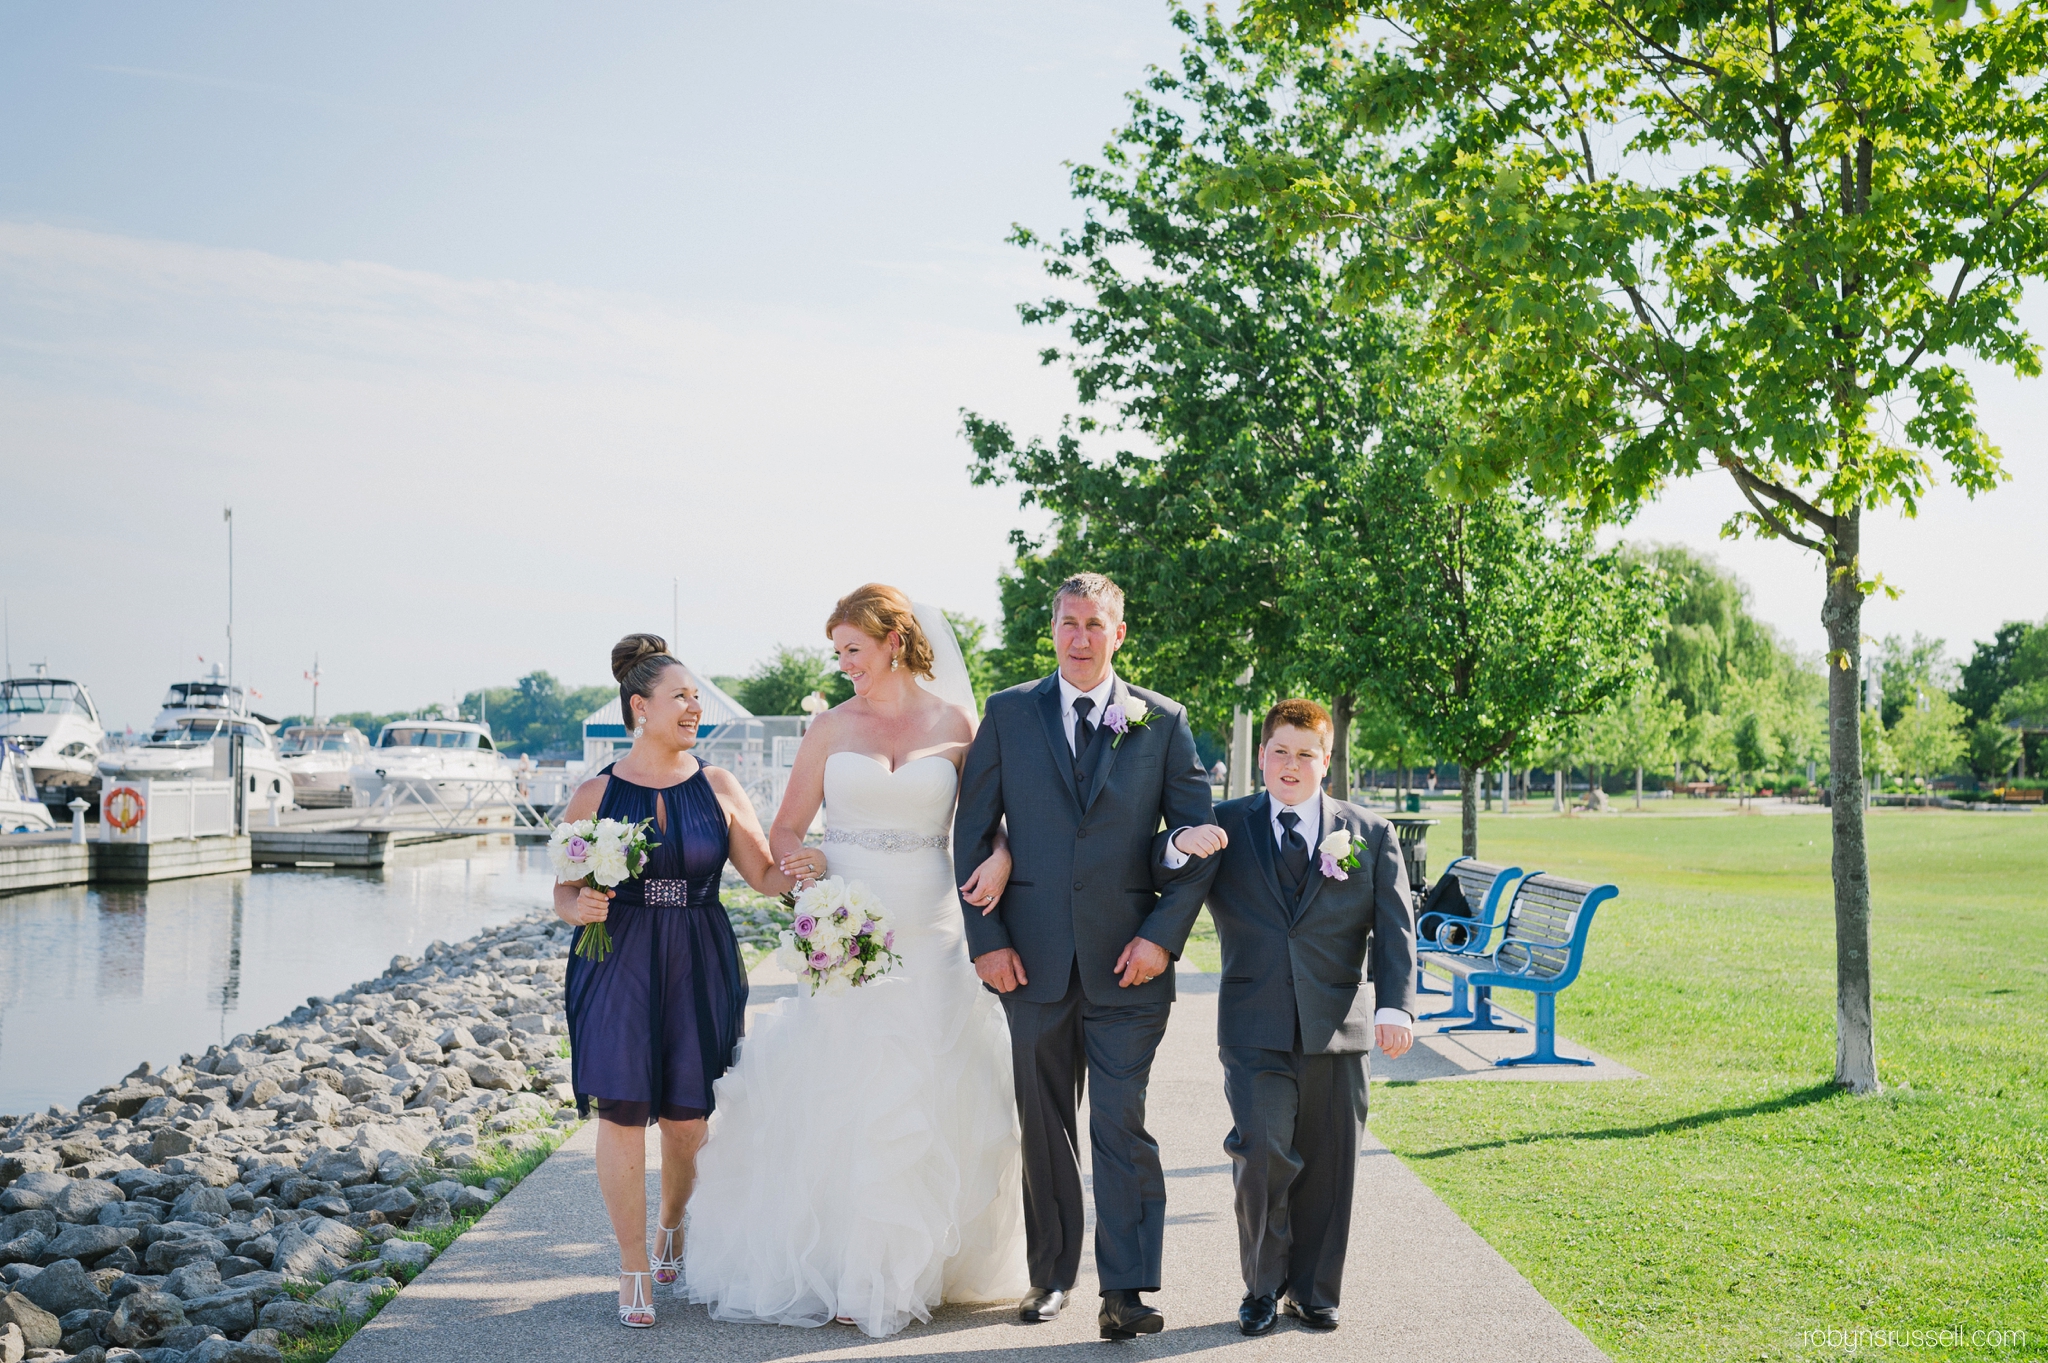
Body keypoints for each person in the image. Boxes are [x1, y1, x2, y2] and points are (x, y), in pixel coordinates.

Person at [684, 585, 1026, 1337]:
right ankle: (848, 1269)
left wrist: (998, 861)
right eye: (837, 652)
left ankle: (912, 1267)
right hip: (849, 925)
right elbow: (784, 829)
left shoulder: (957, 723)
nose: (844, 665)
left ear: (894, 641)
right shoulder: (830, 727)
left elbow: (988, 824)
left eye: (853, 650)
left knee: (928, 1087)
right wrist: (801, 867)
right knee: (847, 1085)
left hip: (934, 922)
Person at [952, 572, 1220, 1340]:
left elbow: (1196, 847)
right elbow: (973, 833)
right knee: (1044, 1123)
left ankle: (1127, 1290)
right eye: (1068, 622)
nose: (1078, 636)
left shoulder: (1163, 722)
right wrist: (989, 943)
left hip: (1129, 965)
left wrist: (1162, 938)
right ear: (1054, 628)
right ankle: (1051, 1275)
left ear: (1119, 633)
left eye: (1094, 624)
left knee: (1121, 1121)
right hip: (1028, 963)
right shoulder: (1007, 714)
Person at [553, 634, 799, 1329]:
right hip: (616, 957)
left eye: (696, 695)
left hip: (699, 953)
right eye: (681, 696)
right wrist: (581, 904)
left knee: (689, 1120)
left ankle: (672, 1222)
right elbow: (563, 890)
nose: (694, 706)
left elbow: (764, 876)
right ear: (641, 707)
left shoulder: (719, 785)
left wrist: (817, 865)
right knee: (623, 1110)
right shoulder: (595, 791)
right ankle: (633, 1264)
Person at [1158, 698, 1418, 1336]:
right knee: (1264, 1153)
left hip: (1338, 1025)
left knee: (1332, 1164)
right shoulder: (1227, 824)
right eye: (1280, 751)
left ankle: (1315, 1291)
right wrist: (1173, 843)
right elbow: (1160, 876)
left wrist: (1395, 1006)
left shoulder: (1369, 834)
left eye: (1306, 753)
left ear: (1326, 761)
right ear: (1262, 756)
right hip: (1254, 1024)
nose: (1291, 764)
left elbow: (1394, 930)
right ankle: (1263, 1287)